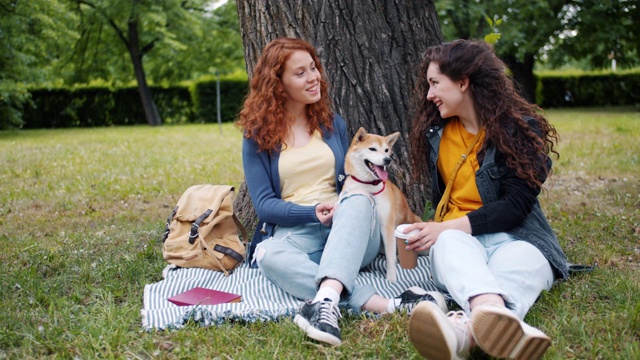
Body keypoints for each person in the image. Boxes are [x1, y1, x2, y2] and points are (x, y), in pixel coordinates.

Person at [236, 37, 447, 347]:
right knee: (268, 254)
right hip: (298, 234)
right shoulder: (257, 136)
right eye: (300, 73)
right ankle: (383, 304)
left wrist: (346, 204)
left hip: (350, 225)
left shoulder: (333, 124)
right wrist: (311, 212)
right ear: (277, 83)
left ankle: (324, 304)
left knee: (359, 199)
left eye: (313, 68)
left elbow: (358, 181)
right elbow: (265, 205)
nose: (313, 78)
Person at [403, 39, 570, 360]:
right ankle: (494, 318)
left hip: (519, 237)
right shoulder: (436, 133)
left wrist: (443, 227)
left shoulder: (520, 130)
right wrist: (439, 230)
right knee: (450, 242)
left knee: (523, 260)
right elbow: (446, 221)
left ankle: (464, 333)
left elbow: (515, 207)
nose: (429, 94)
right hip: (459, 243)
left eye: (435, 83)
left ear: (463, 82)